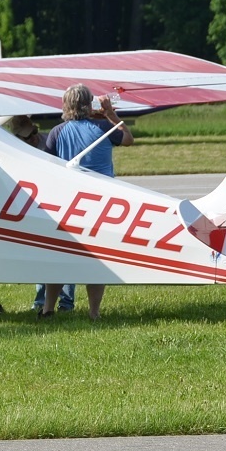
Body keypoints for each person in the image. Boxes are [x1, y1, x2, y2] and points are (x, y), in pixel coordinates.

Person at [39, 83, 134, 320]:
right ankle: (94, 312)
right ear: (89, 104)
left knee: (59, 257)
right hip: (101, 204)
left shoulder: (57, 132)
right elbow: (128, 139)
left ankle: (48, 309)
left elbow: (47, 168)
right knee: (96, 260)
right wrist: (111, 113)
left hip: (68, 203)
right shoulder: (103, 126)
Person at [10, 115, 76, 313]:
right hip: (37, 208)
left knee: (65, 253)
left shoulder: (51, 141)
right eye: (25, 137)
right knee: (41, 254)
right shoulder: (18, 151)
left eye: (32, 134)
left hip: (59, 205)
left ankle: (66, 303)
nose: (31, 139)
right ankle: (41, 301)